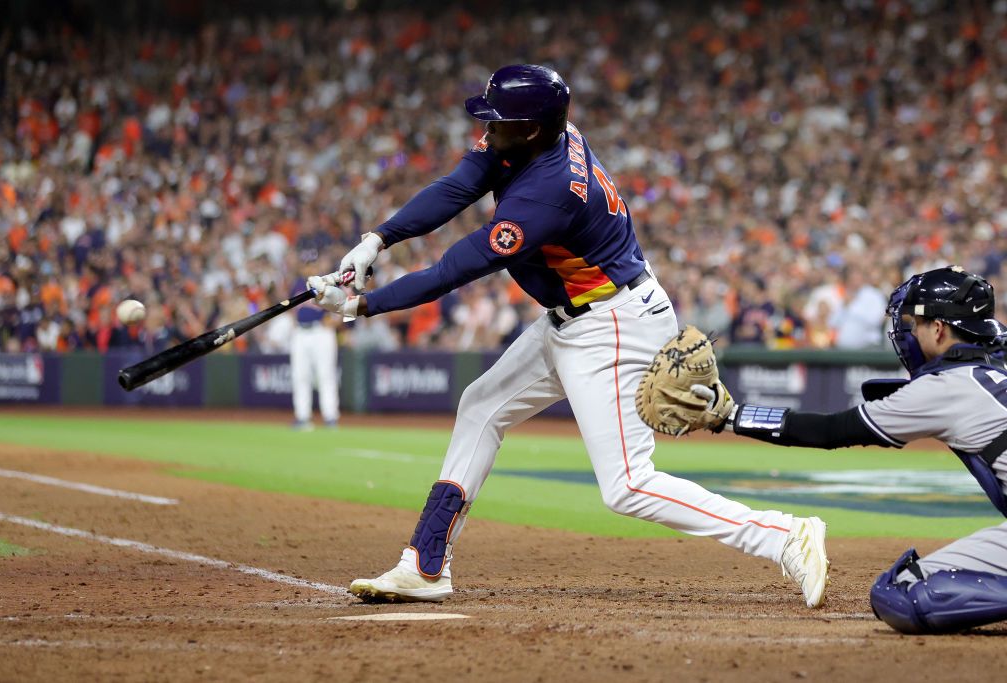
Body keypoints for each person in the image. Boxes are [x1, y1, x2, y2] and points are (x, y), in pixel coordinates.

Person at [307, 65, 829, 607]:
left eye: (497, 120)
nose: (485, 130)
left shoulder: (547, 192)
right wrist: (376, 241)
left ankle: (784, 535)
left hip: (614, 325)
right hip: (574, 317)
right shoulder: (544, 135)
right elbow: (457, 187)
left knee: (627, 486)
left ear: (531, 128)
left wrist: (361, 304)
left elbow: (451, 270)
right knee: (481, 406)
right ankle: (425, 563)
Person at [696, 266, 1007, 634]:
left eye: (915, 323)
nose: (907, 332)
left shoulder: (945, 388)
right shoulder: (992, 365)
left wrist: (729, 416)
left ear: (938, 329)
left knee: (899, 593)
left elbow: (831, 431)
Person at [291, 259, 340, 431]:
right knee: (300, 375)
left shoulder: (328, 282)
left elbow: (341, 307)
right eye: (307, 263)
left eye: (313, 263)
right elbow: (292, 310)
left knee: (325, 375)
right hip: (301, 333)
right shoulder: (297, 284)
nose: (310, 267)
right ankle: (302, 417)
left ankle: (331, 418)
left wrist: (335, 321)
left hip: (321, 332)